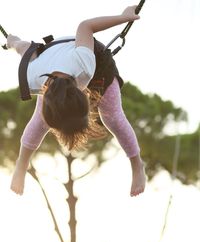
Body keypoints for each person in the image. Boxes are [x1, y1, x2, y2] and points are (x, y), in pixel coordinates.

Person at [7, 5, 146, 197]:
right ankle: (21, 166)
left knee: (112, 117)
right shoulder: (34, 76)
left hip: (98, 65)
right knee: (38, 122)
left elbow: (85, 27)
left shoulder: (84, 66)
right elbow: (23, 46)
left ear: (86, 95)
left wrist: (123, 17)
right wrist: (11, 41)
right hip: (57, 63)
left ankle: (137, 165)